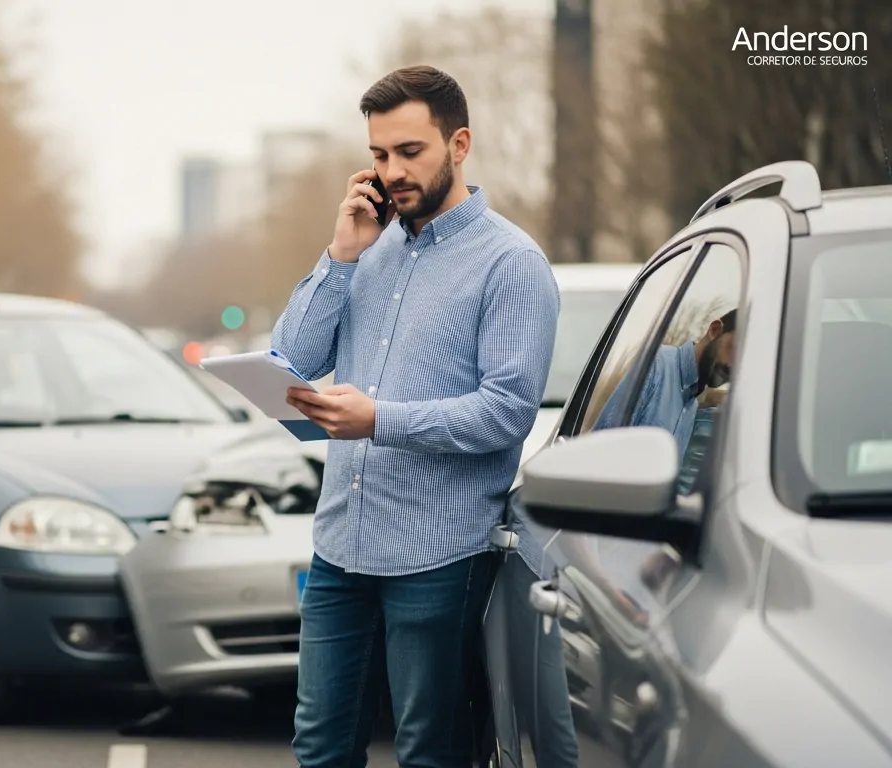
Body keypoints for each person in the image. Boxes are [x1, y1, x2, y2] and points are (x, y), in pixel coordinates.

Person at [273, 65, 560, 768]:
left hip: (439, 557)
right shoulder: (367, 247)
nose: (391, 171)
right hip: (340, 548)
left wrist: (381, 420)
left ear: (459, 145)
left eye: (410, 152)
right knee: (319, 749)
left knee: (432, 753)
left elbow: (505, 415)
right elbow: (292, 357)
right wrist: (341, 255)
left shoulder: (511, 263)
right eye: (378, 155)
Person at [591, 308, 737, 460]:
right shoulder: (655, 365)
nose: (733, 367)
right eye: (734, 350)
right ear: (714, 330)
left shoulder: (691, 406)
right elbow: (601, 450)